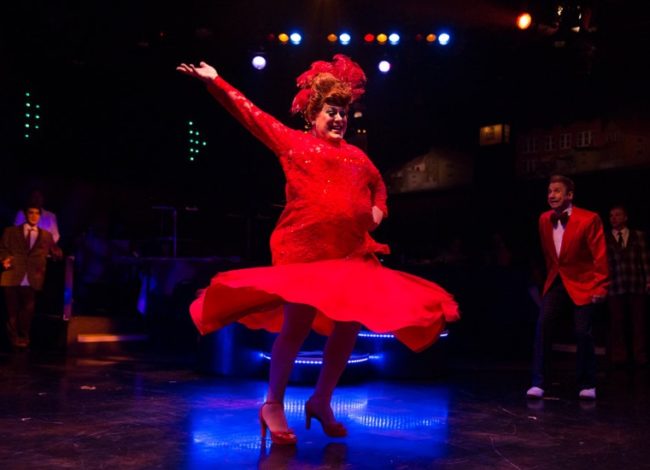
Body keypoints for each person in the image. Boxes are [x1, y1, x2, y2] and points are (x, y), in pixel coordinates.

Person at [177, 55, 459, 444]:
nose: (340, 119)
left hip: (349, 256)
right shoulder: (293, 143)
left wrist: (378, 210)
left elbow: (379, 185)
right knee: (297, 326)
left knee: (349, 325)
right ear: (314, 114)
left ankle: (321, 400)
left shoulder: (358, 158)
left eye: (344, 113)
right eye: (332, 111)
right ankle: (272, 403)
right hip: (306, 256)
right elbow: (251, 116)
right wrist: (216, 81)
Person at [527, 175, 609, 400]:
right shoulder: (544, 219)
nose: (552, 195)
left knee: (583, 332)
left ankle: (587, 382)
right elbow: (549, 256)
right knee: (543, 326)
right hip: (557, 281)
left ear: (570, 195)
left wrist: (600, 285)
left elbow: (599, 254)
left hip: (583, 282)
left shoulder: (589, 219)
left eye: (557, 191)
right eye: (549, 191)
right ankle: (539, 382)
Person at [1, 206, 62, 349]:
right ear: (25, 214)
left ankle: (24, 335)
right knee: (12, 310)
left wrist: (57, 252)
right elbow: (2, 249)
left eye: (36, 213)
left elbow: (55, 251)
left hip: (32, 276)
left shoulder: (46, 235)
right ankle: (14, 338)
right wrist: (4, 258)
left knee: (28, 309)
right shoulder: (10, 231)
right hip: (12, 273)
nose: (34, 216)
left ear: (40, 216)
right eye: (31, 213)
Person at [605, 205, 650, 367]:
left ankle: (640, 355)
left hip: (635, 283)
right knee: (617, 322)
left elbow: (645, 259)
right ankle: (619, 356)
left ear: (625, 217)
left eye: (617, 215)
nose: (614, 218)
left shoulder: (638, 236)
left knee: (639, 322)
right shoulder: (605, 238)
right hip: (615, 285)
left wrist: (648, 279)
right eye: (611, 215)